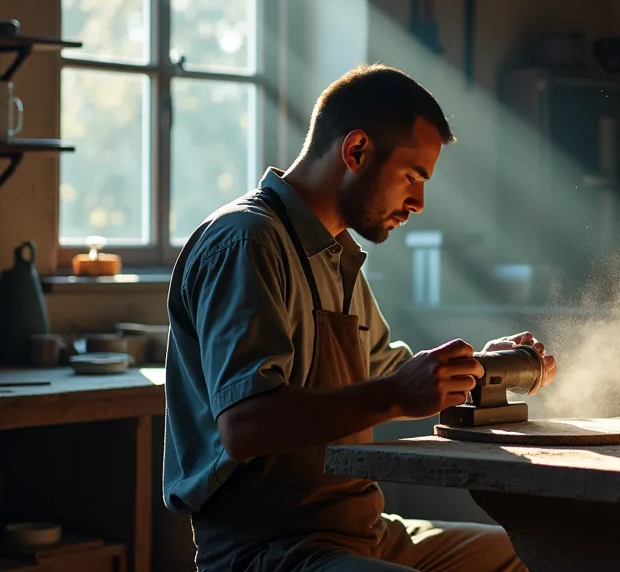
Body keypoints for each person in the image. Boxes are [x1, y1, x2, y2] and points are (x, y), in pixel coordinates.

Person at [162, 64, 556, 572]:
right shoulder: (246, 240)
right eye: (412, 177)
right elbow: (245, 425)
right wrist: (396, 396)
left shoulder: (336, 255)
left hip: (365, 532)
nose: (418, 203)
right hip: (270, 549)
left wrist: (484, 367)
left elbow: (388, 374)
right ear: (356, 151)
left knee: (533, 556)